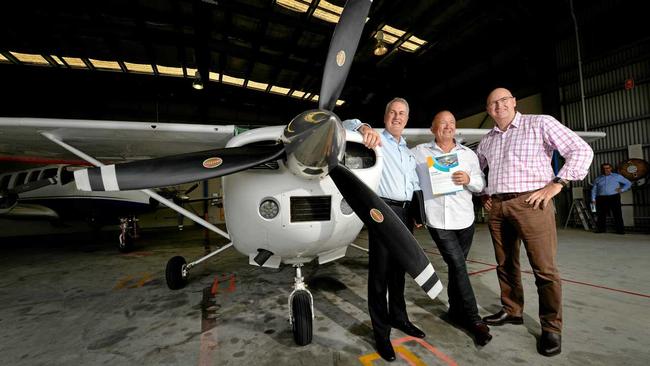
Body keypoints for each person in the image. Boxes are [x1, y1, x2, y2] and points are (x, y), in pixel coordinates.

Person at [476, 87, 593, 357]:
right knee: (505, 264)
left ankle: (552, 327)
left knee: (544, 269)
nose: (499, 106)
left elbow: (580, 150)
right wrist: (484, 194)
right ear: (488, 110)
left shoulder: (540, 123)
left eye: (504, 100)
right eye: (493, 103)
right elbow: (475, 169)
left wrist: (557, 184)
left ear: (514, 102)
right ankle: (512, 310)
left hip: (532, 203)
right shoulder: (487, 140)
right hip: (499, 205)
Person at [343, 98, 424, 362]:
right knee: (379, 276)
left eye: (402, 113)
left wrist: (418, 212)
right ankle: (381, 333)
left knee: (399, 273)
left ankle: (400, 318)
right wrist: (364, 127)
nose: (397, 117)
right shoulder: (375, 137)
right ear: (385, 115)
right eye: (393, 112)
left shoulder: (407, 152)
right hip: (382, 211)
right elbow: (345, 124)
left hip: (405, 212)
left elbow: (412, 182)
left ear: (407, 119)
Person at [411, 110, 492, 346]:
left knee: (458, 268)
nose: (448, 126)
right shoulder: (418, 153)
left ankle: (455, 311)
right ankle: (474, 320)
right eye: (442, 123)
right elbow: (408, 180)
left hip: (465, 220)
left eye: (452, 123)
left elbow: (480, 184)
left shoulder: (468, 155)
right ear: (432, 129)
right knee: (457, 265)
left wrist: (468, 179)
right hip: (438, 220)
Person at [591, 162, 631, 234]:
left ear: (611, 168)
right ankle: (601, 229)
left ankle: (620, 230)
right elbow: (594, 190)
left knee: (617, 214)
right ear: (601, 170)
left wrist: (622, 190)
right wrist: (593, 199)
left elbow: (628, 183)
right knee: (601, 214)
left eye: (608, 168)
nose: (606, 170)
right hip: (601, 198)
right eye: (604, 168)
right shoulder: (598, 179)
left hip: (614, 197)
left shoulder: (617, 176)